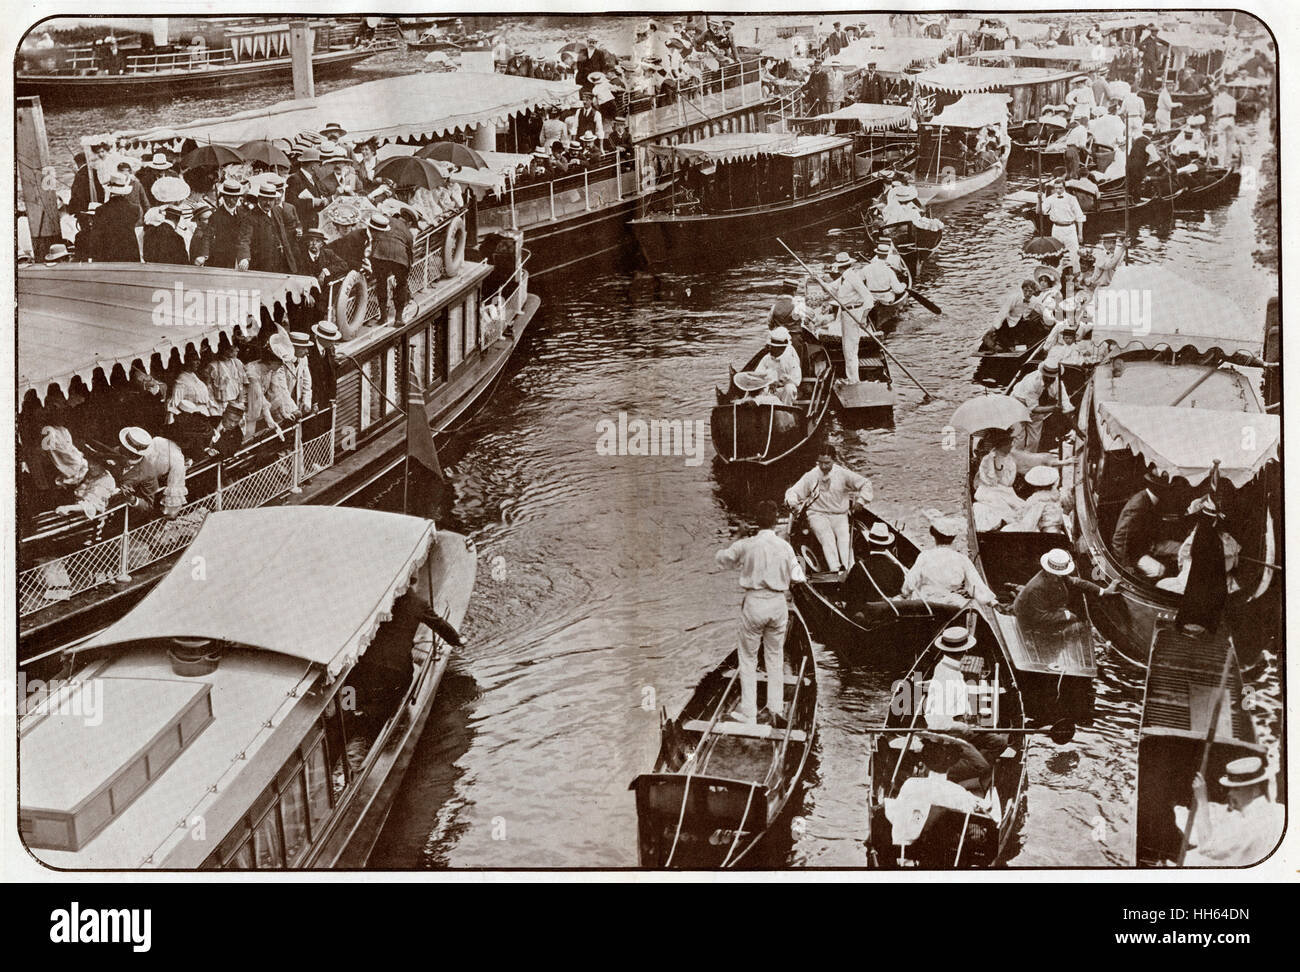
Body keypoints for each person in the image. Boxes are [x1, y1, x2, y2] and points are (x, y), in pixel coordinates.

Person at [714, 499, 805, 727]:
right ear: (775, 522)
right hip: (777, 604)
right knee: (775, 657)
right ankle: (774, 709)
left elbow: (721, 560)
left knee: (748, 659)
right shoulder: (785, 546)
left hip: (754, 604)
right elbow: (798, 577)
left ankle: (749, 712)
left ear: (756, 522)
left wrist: (738, 536)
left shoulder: (747, 544)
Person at [1178, 757, 1284, 866]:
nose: (1230, 793)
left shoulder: (1249, 823)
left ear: (1256, 789)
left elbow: (1208, 848)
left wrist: (1201, 800)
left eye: (1236, 789)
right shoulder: (1279, 811)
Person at [784, 446, 874, 574]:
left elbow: (866, 484)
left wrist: (861, 501)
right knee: (827, 538)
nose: (823, 466)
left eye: (827, 463)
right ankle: (835, 570)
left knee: (844, 540)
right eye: (820, 462)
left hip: (840, 514)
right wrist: (793, 503)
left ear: (834, 460)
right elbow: (793, 492)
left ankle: (852, 572)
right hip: (817, 514)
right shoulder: (811, 476)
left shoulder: (843, 474)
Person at [1160, 496, 1241, 634]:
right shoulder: (1230, 542)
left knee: (1163, 585)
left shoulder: (1194, 539)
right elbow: (1234, 563)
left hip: (1191, 581)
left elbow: (1181, 559)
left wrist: (1183, 570)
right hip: (1221, 584)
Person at [900, 513, 995, 607]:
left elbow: (910, 583)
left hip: (927, 602)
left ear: (932, 534)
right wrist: (992, 602)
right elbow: (976, 585)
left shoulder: (925, 556)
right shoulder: (962, 559)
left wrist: (905, 592)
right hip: (950, 603)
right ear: (954, 537)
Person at [1013, 548, 1119, 631]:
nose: (1064, 575)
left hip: (1049, 609)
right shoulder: (1036, 588)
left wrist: (1104, 591)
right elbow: (1041, 617)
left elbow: (1077, 582)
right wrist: (1067, 615)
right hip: (1030, 621)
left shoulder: (1056, 576)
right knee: (1078, 628)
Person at [1111, 473, 1179, 579]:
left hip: (1150, 545)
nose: (1169, 492)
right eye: (1167, 489)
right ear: (1160, 490)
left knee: (1182, 550)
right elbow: (1119, 539)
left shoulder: (1151, 499)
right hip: (1134, 553)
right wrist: (1125, 565)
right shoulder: (1138, 505)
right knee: (1159, 571)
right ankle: (1146, 583)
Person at [117, 426, 188, 518]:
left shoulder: (149, 473)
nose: (121, 450)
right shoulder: (117, 451)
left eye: (126, 449)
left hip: (122, 510)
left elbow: (148, 505)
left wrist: (132, 499)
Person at [1012, 360, 1075, 451]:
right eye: (1047, 378)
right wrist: (1053, 408)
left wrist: (1073, 423)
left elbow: (1066, 403)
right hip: (1019, 403)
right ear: (1043, 374)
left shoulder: (1058, 383)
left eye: (1052, 378)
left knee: (1035, 439)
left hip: (1039, 405)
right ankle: (1016, 460)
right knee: (1019, 437)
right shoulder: (1031, 381)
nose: (1049, 380)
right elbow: (1033, 408)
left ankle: (1030, 459)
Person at [368, 211, 414, 325]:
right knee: (401, 284)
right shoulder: (407, 231)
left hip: (380, 254)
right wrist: (408, 269)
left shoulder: (384, 220)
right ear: (408, 222)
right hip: (399, 256)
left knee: (381, 283)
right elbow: (410, 250)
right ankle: (398, 318)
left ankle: (383, 317)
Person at [973, 428, 1026, 525]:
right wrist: (992, 463)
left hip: (1005, 490)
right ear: (1002, 445)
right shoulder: (988, 459)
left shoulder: (1010, 460)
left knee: (1019, 506)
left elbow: (1009, 482)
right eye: (1009, 443)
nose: (1012, 445)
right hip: (988, 489)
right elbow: (989, 481)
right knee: (1005, 507)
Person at [91, 177, 142, 262]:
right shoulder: (135, 209)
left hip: (107, 251)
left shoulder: (101, 210)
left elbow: (96, 235)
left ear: (110, 191)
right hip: (129, 250)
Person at [754, 326, 802, 406]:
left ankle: (786, 409)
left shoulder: (790, 360)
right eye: (771, 346)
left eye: (774, 347)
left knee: (790, 388)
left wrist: (782, 381)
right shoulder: (766, 358)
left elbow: (796, 380)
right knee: (759, 392)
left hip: (783, 391)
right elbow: (757, 375)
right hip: (769, 390)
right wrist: (767, 382)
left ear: (782, 349)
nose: (771, 349)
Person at [1011, 464, 1067, 532]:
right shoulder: (1056, 496)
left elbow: (1029, 524)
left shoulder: (1035, 500)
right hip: (1057, 530)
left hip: (1046, 534)